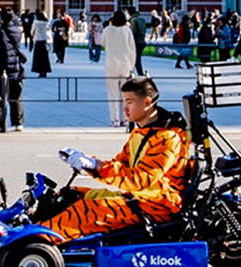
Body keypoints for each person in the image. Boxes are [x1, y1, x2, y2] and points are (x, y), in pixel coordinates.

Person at [37, 76, 191, 242]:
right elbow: (120, 164)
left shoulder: (167, 138)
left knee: (84, 210)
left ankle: (37, 240)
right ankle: (35, 226)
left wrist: (96, 166)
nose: (124, 108)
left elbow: (140, 180)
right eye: (124, 102)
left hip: (157, 205)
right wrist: (88, 163)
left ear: (147, 102)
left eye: (129, 102)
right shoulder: (141, 133)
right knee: (71, 195)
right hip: (140, 198)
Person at [0, 9, 26, 132]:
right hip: (14, 66)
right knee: (15, 96)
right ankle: (18, 123)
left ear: (1, 18)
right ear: (13, 19)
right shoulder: (17, 31)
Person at [101, 10, 137, 127]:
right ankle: (125, 118)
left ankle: (114, 119)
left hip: (112, 65)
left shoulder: (108, 30)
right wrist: (132, 65)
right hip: (126, 65)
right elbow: (132, 49)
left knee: (112, 94)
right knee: (125, 96)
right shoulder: (127, 30)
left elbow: (102, 43)